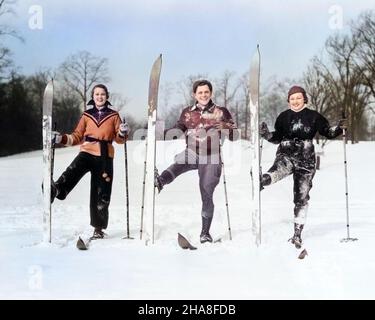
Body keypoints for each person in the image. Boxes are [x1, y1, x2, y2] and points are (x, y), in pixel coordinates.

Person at [259, 85, 347, 248]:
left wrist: (339, 129)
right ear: (288, 101)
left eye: (298, 98)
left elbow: (327, 132)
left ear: (304, 99)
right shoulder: (283, 117)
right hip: (286, 153)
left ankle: (297, 234)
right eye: (292, 98)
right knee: (278, 170)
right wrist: (267, 135)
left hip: (306, 159)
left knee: (301, 196)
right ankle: (263, 180)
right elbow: (277, 137)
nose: (295, 101)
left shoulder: (314, 116)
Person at [155, 79, 238, 243]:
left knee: (206, 192)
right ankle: (160, 182)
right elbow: (178, 130)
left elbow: (235, 136)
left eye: (206, 92)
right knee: (178, 163)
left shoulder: (221, 112)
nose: (203, 95)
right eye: (200, 92)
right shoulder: (187, 112)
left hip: (212, 156)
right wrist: (158, 133)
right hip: (192, 151)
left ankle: (205, 233)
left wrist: (226, 127)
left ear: (211, 93)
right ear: (194, 94)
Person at [51, 84, 129, 239]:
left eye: (102, 94)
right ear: (92, 97)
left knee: (101, 192)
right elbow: (76, 136)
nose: (99, 97)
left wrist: (122, 132)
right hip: (87, 151)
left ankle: (98, 228)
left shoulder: (114, 115)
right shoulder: (87, 115)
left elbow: (120, 140)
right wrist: (60, 138)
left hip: (105, 156)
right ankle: (57, 189)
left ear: (107, 96)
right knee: (73, 169)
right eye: (96, 94)